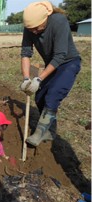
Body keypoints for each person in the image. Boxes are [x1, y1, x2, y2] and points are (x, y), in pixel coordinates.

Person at [20, 1, 81, 147]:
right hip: (51, 64)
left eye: (36, 28)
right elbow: (26, 53)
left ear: (44, 19)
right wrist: (27, 78)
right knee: (40, 98)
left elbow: (60, 55)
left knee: (53, 95)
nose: (34, 32)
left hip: (68, 62)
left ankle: (40, 132)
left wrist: (39, 79)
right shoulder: (29, 28)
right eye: (31, 29)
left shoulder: (58, 21)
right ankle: (50, 131)